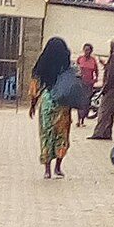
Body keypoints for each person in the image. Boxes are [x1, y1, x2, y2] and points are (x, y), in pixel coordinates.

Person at [31, 35, 78, 178]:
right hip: (63, 104)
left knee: (46, 134)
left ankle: (47, 170)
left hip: (47, 101)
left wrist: (32, 105)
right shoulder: (66, 66)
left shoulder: (42, 64)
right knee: (62, 135)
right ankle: (58, 167)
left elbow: (35, 87)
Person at [91, 38, 114, 140]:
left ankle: (99, 132)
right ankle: (106, 132)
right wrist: (105, 65)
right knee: (109, 111)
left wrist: (105, 87)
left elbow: (112, 74)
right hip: (113, 87)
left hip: (111, 87)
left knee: (104, 111)